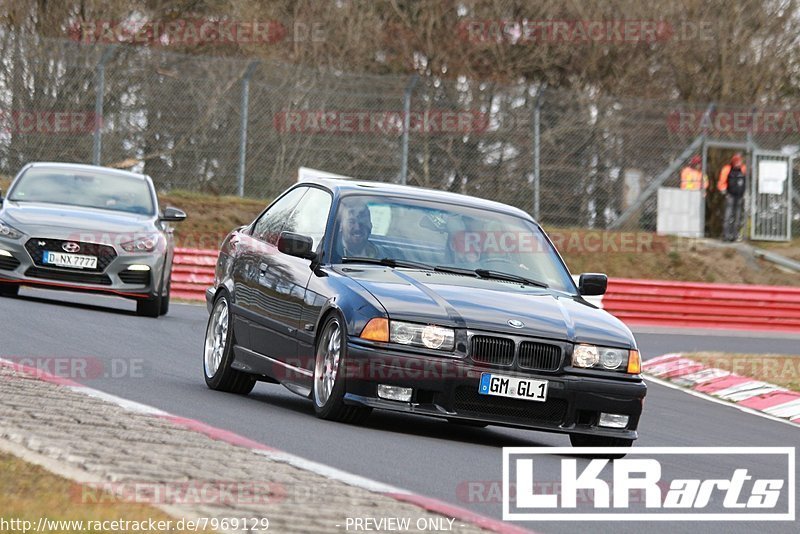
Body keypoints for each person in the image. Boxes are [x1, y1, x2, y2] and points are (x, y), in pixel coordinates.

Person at [718, 154, 748, 242]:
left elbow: (747, 180)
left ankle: (735, 235)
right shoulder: (727, 169)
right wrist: (724, 191)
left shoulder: (743, 169)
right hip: (730, 195)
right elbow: (722, 181)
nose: (739, 163)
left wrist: (745, 193)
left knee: (738, 216)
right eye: (737, 161)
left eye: (740, 161)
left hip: (740, 196)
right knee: (728, 215)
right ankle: (726, 235)